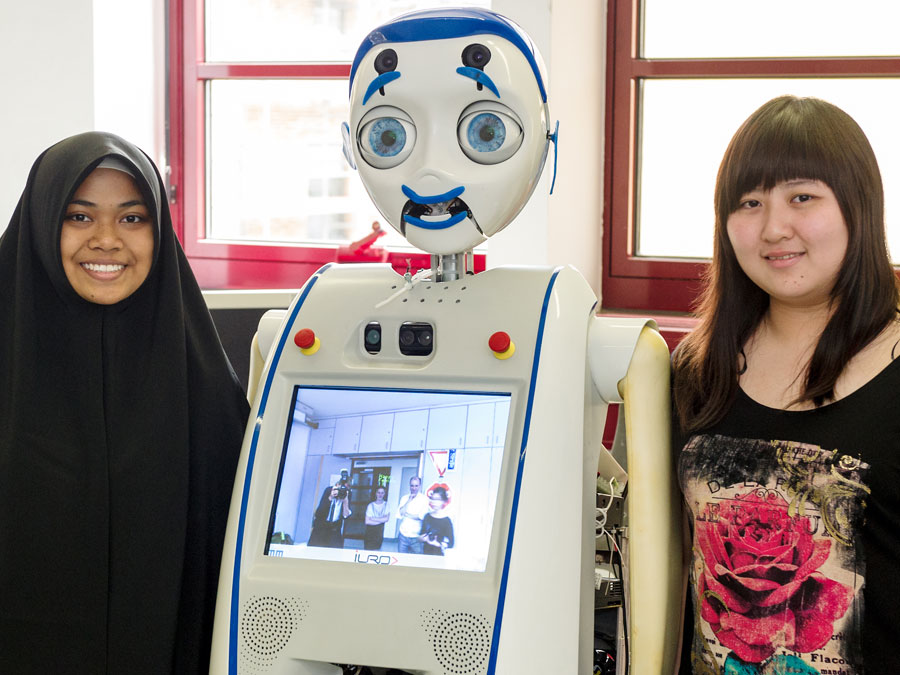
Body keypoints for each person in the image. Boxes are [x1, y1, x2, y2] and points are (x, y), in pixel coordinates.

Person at [0, 131, 250, 673]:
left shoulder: (202, 383)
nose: (108, 240)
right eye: (80, 216)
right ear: (44, 222)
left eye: (133, 218)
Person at [672, 96, 900, 673]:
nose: (774, 227)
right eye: (749, 203)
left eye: (802, 197)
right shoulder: (695, 372)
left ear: (859, 207)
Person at [308, 469, 352, 548]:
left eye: (345, 489)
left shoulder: (347, 494)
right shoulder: (329, 490)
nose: (342, 491)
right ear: (337, 485)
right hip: (320, 528)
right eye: (340, 488)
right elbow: (319, 512)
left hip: (334, 529)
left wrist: (345, 501)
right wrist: (330, 497)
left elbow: (346, 516)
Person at [395, 476, 429, 554]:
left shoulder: (424, 499)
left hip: (416, 537)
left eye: (416, 486)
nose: (414, 488)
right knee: (401, 560)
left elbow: (421, 517)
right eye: (412, 485)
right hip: (403, 535)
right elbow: (401, 513)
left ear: (420, 486)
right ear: (409, 486)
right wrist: (409, 500)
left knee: (417, 561)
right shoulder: (404, 498)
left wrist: (407, 515)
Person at [419, 484, 454, 556]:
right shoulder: (427, 517)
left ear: (444, 501)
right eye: (432, 499)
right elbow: (420, 537)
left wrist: (438, 544)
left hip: (439, 556)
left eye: (437, 499)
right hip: (425, 554)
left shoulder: (447, 521)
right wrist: (423, 539)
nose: (434, 502)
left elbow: (451, 543)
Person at [364, 485, 391, 550]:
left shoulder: (386, 505)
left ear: (384, 494)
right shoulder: (370, 505)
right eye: (378, 492)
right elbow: (367, 521)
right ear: (376, 493)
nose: (380, 495)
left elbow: (386, 519)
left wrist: (373, 519)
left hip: (379, 532)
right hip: (370, 532)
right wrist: (381, 520)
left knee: (377, 550)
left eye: (382, 493)